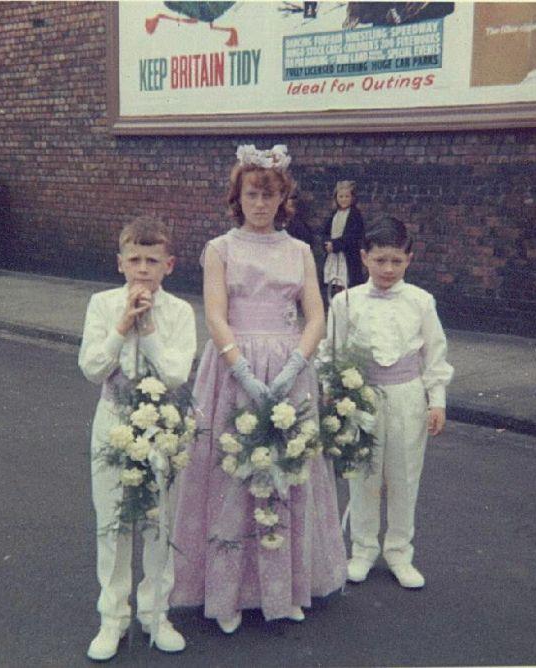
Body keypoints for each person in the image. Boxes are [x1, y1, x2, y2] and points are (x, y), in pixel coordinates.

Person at [170, 145, 347, 632]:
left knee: (287, 476)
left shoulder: (298, 252)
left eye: (269, 195)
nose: (261, 204)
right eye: (252, 194)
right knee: (232, 473)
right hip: (235, 368)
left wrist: (295, 364)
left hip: (289, 369)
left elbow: (317, 314)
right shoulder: (220, 249)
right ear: (238, 197)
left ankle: (285, 590)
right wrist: (241, 368)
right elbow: (214, 314)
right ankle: (226, 596)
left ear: (283, 199)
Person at [78, 218, 196, 660]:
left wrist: (147, 331)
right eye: (134, 260)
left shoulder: (181, 313)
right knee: (112, 520)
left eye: (152, 261)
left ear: (168, 265)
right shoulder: (102, 304)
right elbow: (91, 369)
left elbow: (176, 374)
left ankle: (155, 610)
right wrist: (123, 324)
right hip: (113, 418)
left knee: (158, 520)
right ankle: (113, 617)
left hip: (162, 424)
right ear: (120, 263)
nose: (143, 269)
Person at [322, 216, 453, 589]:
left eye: (396, 260)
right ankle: (362, 549)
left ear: (409, 259)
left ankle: (399, 551)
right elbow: (332, 351)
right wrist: (333, 395)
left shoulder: (421, 302)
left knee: (404, 475)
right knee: (364, 474)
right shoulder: (346, 301)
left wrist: (436, 401)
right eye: (380, 260)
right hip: (361, 397)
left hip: (407, 397)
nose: (388, 269)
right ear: (364, 257)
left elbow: (434, 354)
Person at [323, 180, 365, 294]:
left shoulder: (355, 215)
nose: (344, 199)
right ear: (336, 198)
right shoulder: (334, 214)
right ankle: (336, 302)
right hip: (333, 255)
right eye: (341, 196)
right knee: (335, 281)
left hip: (347, 255)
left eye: (347, 196)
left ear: (352, 198)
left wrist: (336, 245)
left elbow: (353, 236)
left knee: (346, 282)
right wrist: (326, 244)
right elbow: (326, 232)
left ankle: (347, 304)